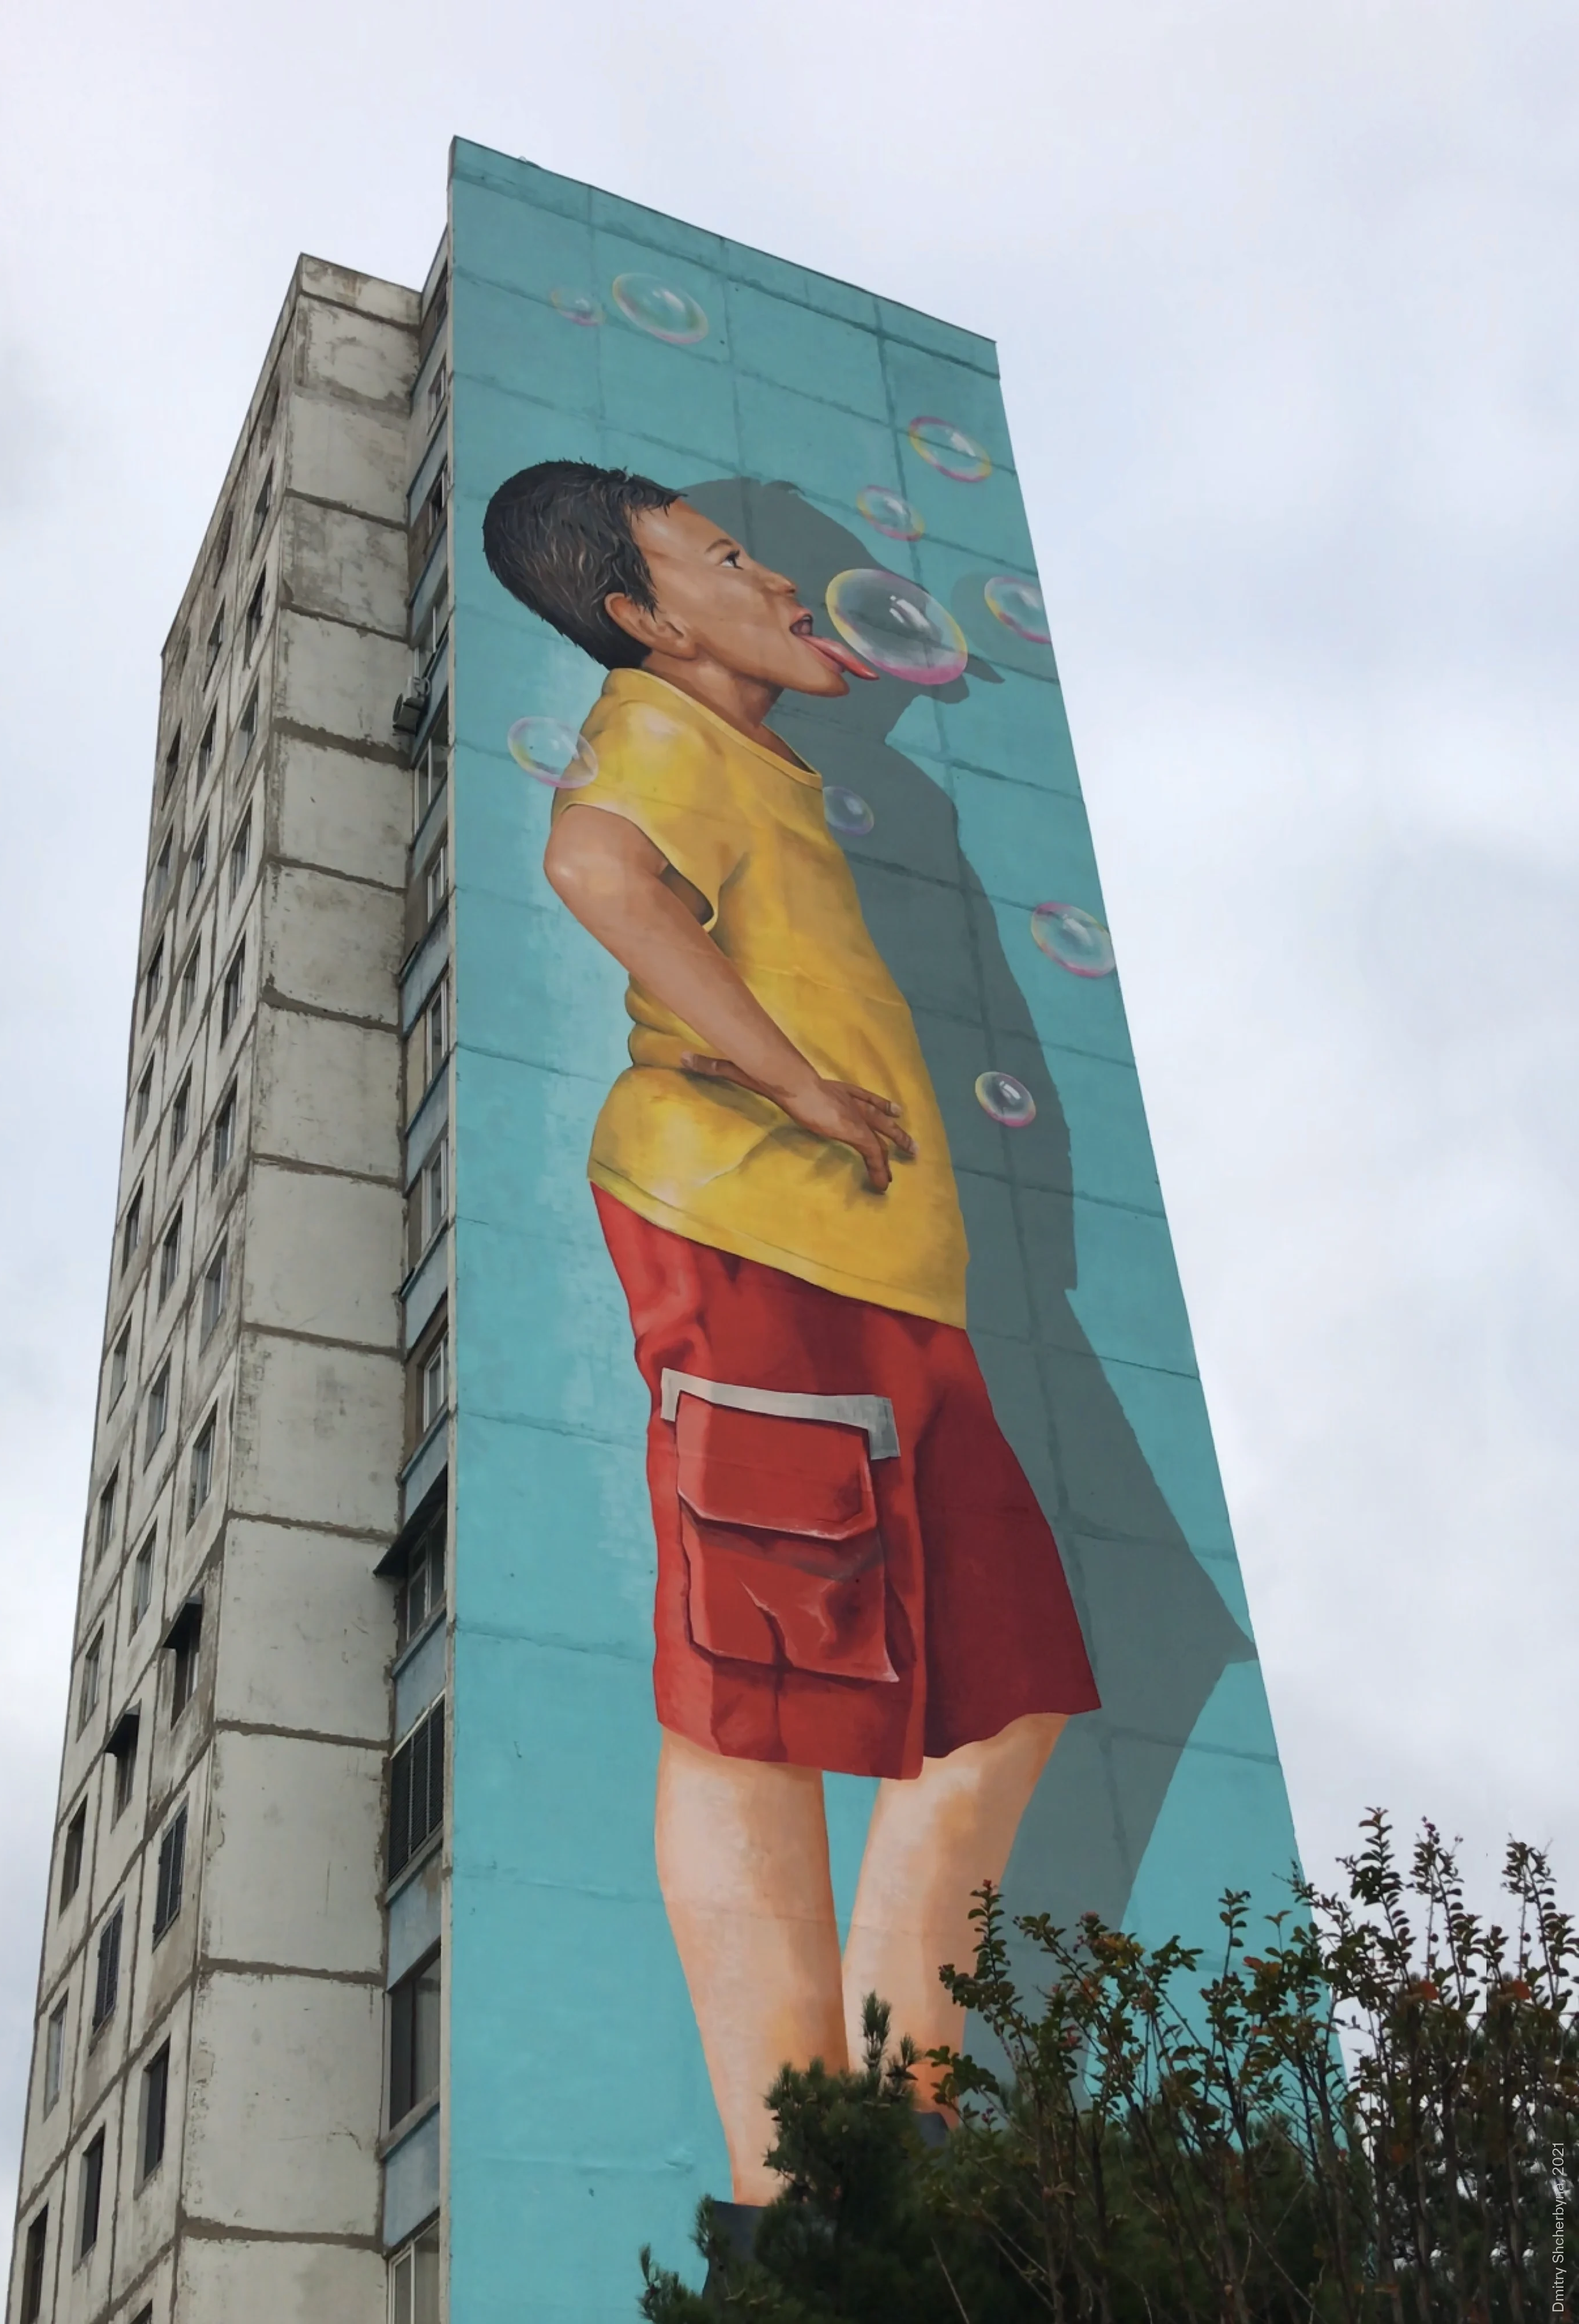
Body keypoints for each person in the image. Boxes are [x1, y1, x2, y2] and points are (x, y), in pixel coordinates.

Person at [482, 461, 1100, 2203]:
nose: (778, 577)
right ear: (649, 620)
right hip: (753, 1249)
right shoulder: (660, 731)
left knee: (1002, 1689)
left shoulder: (756, 761)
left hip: (875, 1278)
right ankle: (795, 2196)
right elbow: (596, 866)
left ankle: (885, 2129)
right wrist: (792, 1081)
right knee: (750, 1700)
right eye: (729, 559)